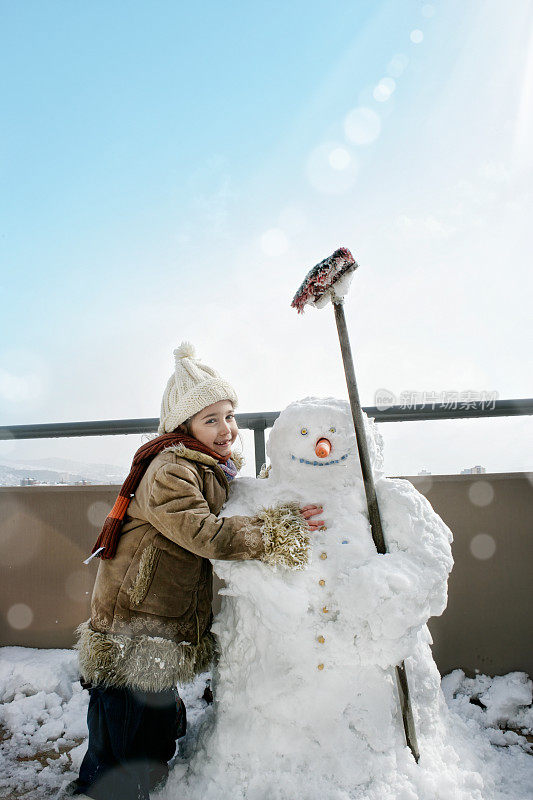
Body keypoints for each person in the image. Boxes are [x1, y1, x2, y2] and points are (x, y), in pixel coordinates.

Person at [68, 342, 324, 800]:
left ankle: (148, 774)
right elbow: (205, 533)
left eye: (229, 415)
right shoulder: (169, 470)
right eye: (211, 420)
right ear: (184, 426)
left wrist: (275, 494)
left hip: (162, 613)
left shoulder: (209, 467)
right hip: (135, 612)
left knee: (155, 710)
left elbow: (232, 503)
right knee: (122, 718)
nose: (227, 428)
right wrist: (275, 533)